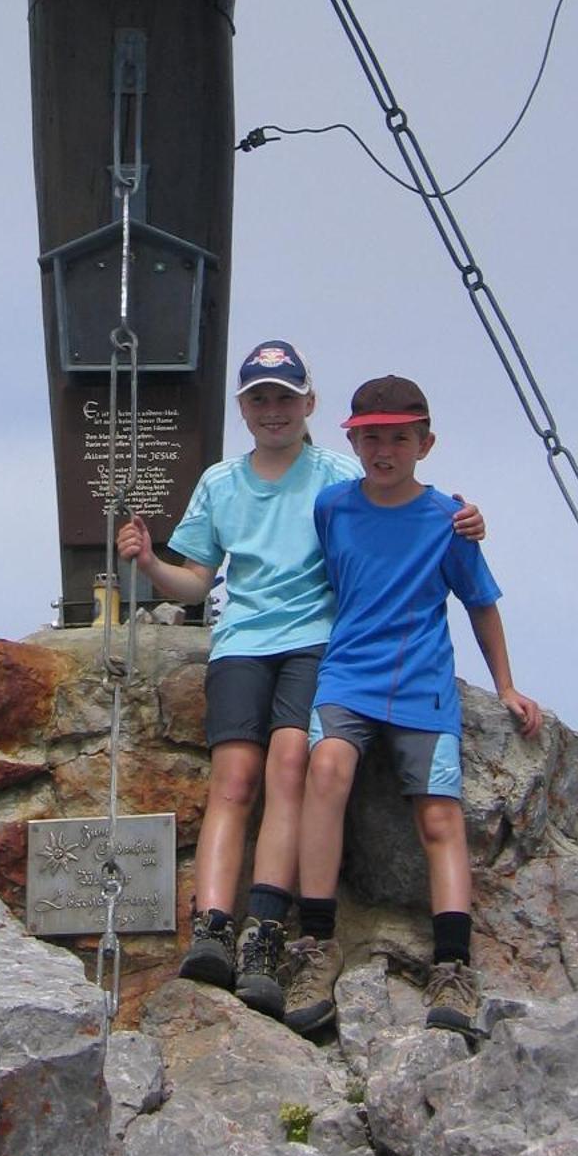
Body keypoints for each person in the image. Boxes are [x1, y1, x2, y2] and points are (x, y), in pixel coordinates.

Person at [116, 341, 486, 1016]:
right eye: (259, 398)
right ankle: (213, 929)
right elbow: (197, 580)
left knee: (291, 766)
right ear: (242, 409)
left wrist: (462, 518)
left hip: (318, 640)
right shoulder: (221, 483)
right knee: (231, 779)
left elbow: (396, 502)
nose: (273, 409)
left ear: (309, 404)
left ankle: (265, 931)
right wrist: (148, 567)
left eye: (286, 396)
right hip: (242, 643)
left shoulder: (336, 476)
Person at [283, 374, 542, 1040]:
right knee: (328, 770)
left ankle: (453, 964)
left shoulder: (449, 521)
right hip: (348, 675)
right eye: (371, 437)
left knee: (438, 817)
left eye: (400, 437)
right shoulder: (334, 507)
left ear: (426, 443)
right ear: (352, 440)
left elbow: (480, 603)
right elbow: (328, 584)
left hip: (422, 684)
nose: (384, 450)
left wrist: (506, 685)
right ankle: (315, 946)